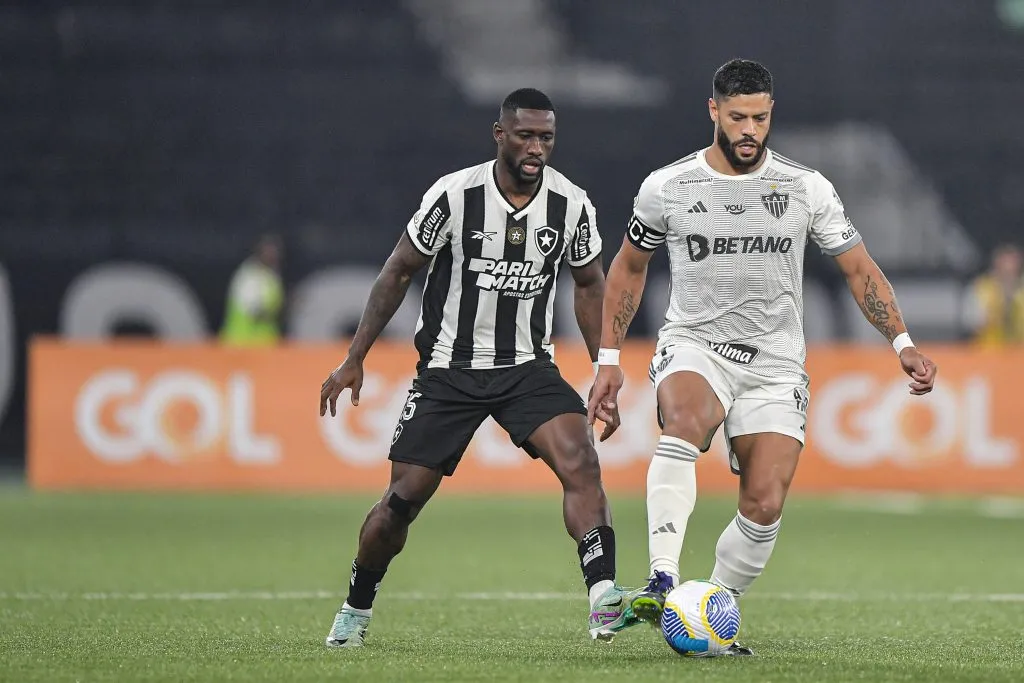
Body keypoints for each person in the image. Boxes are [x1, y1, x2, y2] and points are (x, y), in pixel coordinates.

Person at [587, 59, 938, 655]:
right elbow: (628, 266)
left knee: (765, 502)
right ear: (713, 111)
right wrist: (608, 358)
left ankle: (701, 613)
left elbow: (857, 268)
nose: (750, 129)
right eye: (738, 117)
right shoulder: (668, 186)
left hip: (775, 362)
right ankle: (663, 578)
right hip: (695, 342)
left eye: (761, 118)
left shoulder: (805, 188)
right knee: (685, 423)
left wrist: (902, 341)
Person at [319, 88, 638, 648]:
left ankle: (602, 596)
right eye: (525, 135)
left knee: (581, 463)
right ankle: (355, 608)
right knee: (400, 505)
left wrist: (603, 365)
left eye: (546, 137)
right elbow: (397, 272)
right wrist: (355, 357)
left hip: (527, 369)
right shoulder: (454, 195)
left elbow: (590, 285)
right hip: (449, 370)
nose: (537, 147)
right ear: (500, 135)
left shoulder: (571, 204)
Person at [219, 234, 284, 346]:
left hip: (263, 344)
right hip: (242, 343)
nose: (273, 255)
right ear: (259, 252)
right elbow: (254, 311)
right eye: (269, 251)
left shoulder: (269, 276)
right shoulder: (250, 276)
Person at [964, 243, 1024, 346]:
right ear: (997, 263)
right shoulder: (981, 288)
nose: (1009, 268)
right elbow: (971, 322)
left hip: (1019, 354)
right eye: (1005, 262)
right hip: (988, 354)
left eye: (1013, 262)